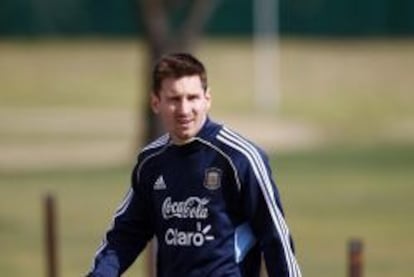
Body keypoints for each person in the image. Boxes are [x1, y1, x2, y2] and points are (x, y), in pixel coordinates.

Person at [87, 53, 301, 277]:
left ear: (207, 99)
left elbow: (275, 237)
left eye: (192, 98)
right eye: (174, 99)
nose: (184, 109)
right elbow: (126, 234)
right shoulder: (151, 162)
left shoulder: (240, 157)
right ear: (155, 102)